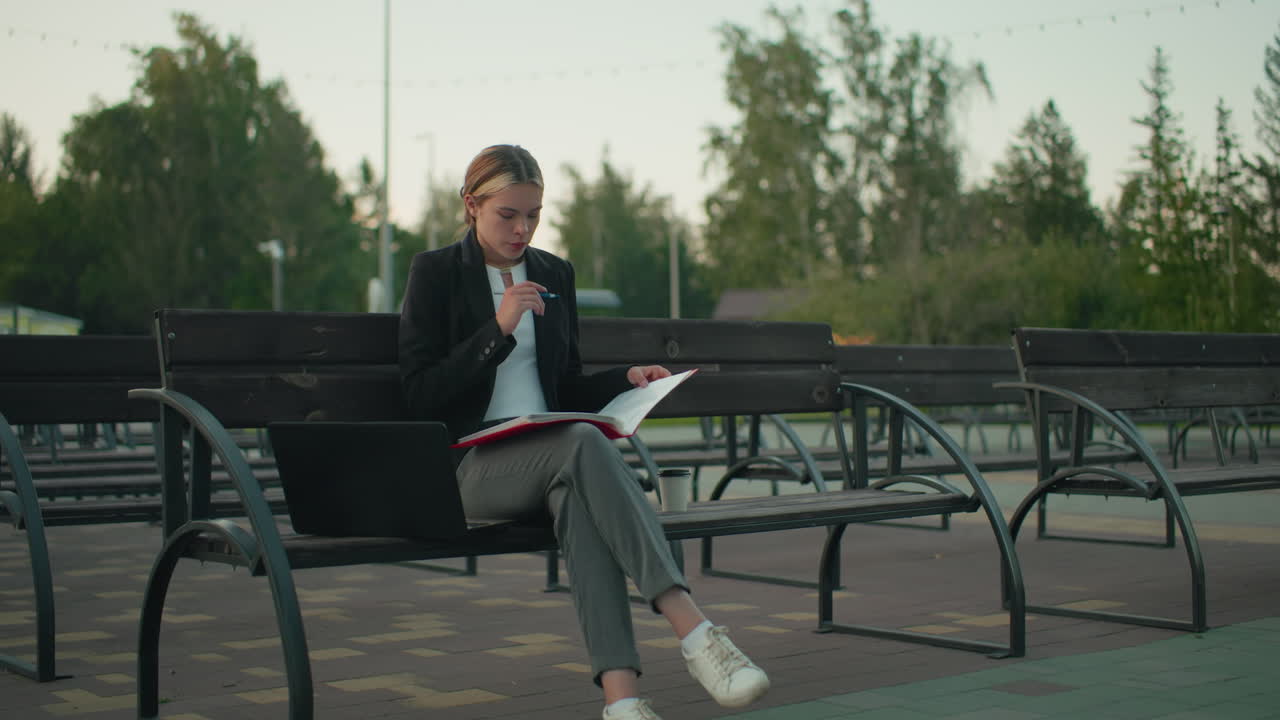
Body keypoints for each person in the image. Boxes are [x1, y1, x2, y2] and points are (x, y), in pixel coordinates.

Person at [398, 144, 769, 720]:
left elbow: (564, 387)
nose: (522, 229)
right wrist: (497, 329)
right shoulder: (436, 273)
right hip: (468, 471)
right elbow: (420, 393)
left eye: (534, 215)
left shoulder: (552, 273)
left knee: (577, 492)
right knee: (580, 444)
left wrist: (625, 379)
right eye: (508, 215)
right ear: (472, 205)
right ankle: (695, 631)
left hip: (551, 458)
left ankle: (623, 703)